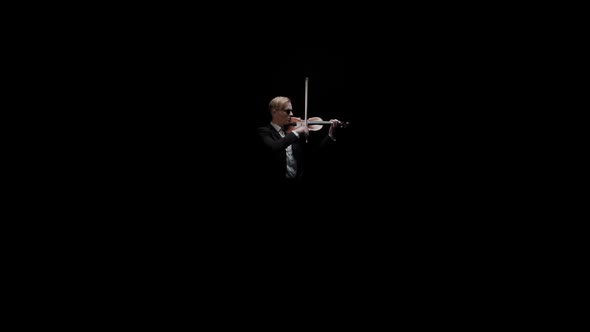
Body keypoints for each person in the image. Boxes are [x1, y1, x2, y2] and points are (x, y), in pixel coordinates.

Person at [255, 96, 342, 186]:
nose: (292, 114)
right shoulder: (264, 132)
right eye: (288, 111)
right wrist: (296, 132)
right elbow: (273, 148)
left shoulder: (293, 134)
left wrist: (331, 134)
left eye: (291, 111)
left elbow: (313, 154)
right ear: (274, 111)